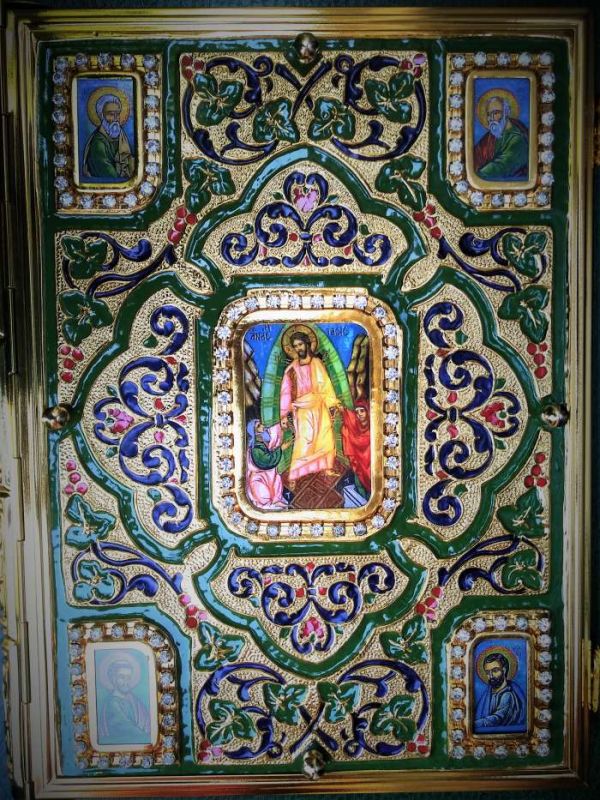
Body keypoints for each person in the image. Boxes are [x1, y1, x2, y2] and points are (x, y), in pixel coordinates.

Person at [279, 328, 340, 487]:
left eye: (300, 344)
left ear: (307, 344)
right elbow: (285, 392)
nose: (298, 348)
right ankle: (294, 474)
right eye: (295, 346)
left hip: (319, 406)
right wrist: (284, 414)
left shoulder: (317, 363)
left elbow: (325, 385)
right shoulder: (291, 369)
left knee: (324, 438)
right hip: (303, 409)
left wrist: (332, 404)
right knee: (304, 441)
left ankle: (326, 467)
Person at [473, 95, 529, 181]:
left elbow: (500, 167)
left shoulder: (517, 140)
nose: (492, 118)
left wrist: (475, 176)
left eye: (496, 113)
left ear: (506, 113)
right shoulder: (493, 135)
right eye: (489, 114)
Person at [97, 657, 151, 745]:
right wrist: (147, 736)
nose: (126, 682)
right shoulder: (112, 703)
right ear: (113, 679)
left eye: (128, 677)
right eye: (122, 677)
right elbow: (127, 728)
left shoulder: (133, 699)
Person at [83, 94, 134, 180]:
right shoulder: (98, 142)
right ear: (102, 115)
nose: (115, 119)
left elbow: (128, 160)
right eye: (111, 114)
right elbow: (108, 174)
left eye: (117, 114)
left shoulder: (121, 136)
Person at [474, 651, 526, 729]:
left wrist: (474, 724)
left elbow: (497, 718)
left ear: (504, 670)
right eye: (487, 672)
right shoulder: (488, 694)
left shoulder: (507, 695)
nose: (491, 676)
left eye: (495, 671)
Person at [245, 419, 289, 510]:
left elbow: (273, 433)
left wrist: (281, 426)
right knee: (262, 490)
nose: (262, 426)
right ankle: (267, 503)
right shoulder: (255, 448)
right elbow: (266, 460)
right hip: (259, 476)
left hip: (266, 473)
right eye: (258, 426)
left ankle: (276, 500)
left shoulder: (262, 439)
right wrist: (281, 449)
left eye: (261, 424)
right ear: (254, 431)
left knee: (276, 478)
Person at [341, 399, 371, 497]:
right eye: (357, 412)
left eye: (362, 411)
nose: (359, 414)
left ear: (368, 412)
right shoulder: (355, 428)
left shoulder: (373, 428)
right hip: (361, 463)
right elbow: (350, 422)